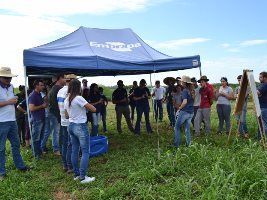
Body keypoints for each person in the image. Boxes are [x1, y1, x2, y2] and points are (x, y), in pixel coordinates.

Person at [64, 79, 96, 184]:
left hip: (71, 126)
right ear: (79, 88)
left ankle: (77, 174)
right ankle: (83, 177)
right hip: (80, 126)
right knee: (85, 151)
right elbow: (93, 109)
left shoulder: (67, 99)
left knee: (74, 150)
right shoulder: (79, 98)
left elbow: (66, 115)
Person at [0, 67, 30, 180]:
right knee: (1, 148)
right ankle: (1, 173)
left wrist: (14, 99)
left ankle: (20, 166)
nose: (8, 79)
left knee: (16, 144)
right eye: (6, 77)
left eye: (10, 77)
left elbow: (10, 101)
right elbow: (8, 102)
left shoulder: (11, 87)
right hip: (1, 122)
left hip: (12, 120)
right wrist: (9, 102)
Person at [57, 74, 77, 173]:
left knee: (65, 144)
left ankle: (65, 164)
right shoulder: (69, 92)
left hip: (63, 121)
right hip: (69, 121)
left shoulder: (60, 91)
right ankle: (70, 166)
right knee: (71, 144)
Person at [47, 74, 65, 155]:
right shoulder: (59, 89)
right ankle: (56, 149)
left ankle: (57, 147)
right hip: (56, 113)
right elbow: (57, 104)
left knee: (54, 131)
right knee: (56, 132)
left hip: (52, 112)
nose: (65, 80)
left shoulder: (53, 88)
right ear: (59, 79)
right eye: (64, 78)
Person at [174, 76, 195, 147]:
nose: (180, 82)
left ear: (184, 82)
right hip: (191, 112)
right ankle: (188, 144)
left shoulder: (185, 91)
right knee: (187, 129)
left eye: (181, 81)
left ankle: (177, 145)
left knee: (176, 128)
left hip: (185, 112)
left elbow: (185, 101)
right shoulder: (191, 91)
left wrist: (179, 108)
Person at [29, 79, 47, 158]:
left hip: (41, 118)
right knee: (36, 138)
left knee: (40, 137)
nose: (43, 86)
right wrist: (42, 106)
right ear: (36, 86)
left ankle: (38, 153)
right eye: (41, 85)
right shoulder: (33, 95)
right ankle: (36, 155)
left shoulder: (39, 94)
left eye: (43, 85)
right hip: (37, 119)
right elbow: (31, 108)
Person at [257, 71, 267, 137]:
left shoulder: (264, 85)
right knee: (261, 124)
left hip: (263, 108)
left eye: (260, 77)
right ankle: (261, 138)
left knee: (264, 124)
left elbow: (256, 93)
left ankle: (264, 140)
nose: (259, 79)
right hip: (264, 107)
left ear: (265, 77)